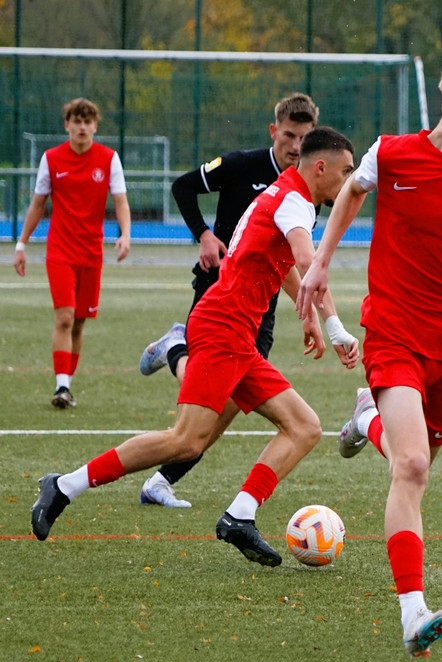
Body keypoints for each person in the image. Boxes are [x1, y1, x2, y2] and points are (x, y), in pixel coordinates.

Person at [30, 127, 360, 568]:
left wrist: (306, 316)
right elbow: (307, 261)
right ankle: (64, 486)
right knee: (186, 441)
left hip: (236, 334)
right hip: (223, 327)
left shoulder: (287, 194)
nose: (349, 180)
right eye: (346, 171)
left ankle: (239, 515)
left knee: (304, 427)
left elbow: (279, 261)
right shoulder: (294, 201)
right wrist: (335, 327)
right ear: (320, 167)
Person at [295, 52, 442, 658]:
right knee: (414, 468)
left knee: (417, 459)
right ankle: (412, 611)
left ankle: (365, 418)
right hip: (395, 331)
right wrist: (320, 263)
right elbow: (351, 192)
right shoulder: (392, 152)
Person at [135, 93, 320, 508]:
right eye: (289, 136)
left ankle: (161, 479)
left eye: (304, 138)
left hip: (260, 306)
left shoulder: (310, 186)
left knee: (229, 401)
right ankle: (176, 350)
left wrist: (304, 309)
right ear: (273, 131)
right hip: (218, 289)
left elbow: (284, 261)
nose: (296, 146)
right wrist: (203, 234)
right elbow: (182, 186)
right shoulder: (242, 165)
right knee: (219, 393)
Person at [12, 97, 131, 409]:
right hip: (60, 253)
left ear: (95, 126)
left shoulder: (109, 159)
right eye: (76, 121)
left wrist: (125, 234)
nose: (82, 127)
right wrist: (21, 244)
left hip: (91, 254)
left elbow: (120, 201)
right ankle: (61, 386)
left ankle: (67, 386)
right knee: (64, 317)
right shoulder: (51, 159)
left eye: (87, 122)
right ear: (67, 125)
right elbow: (38, 204)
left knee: (78, 323)